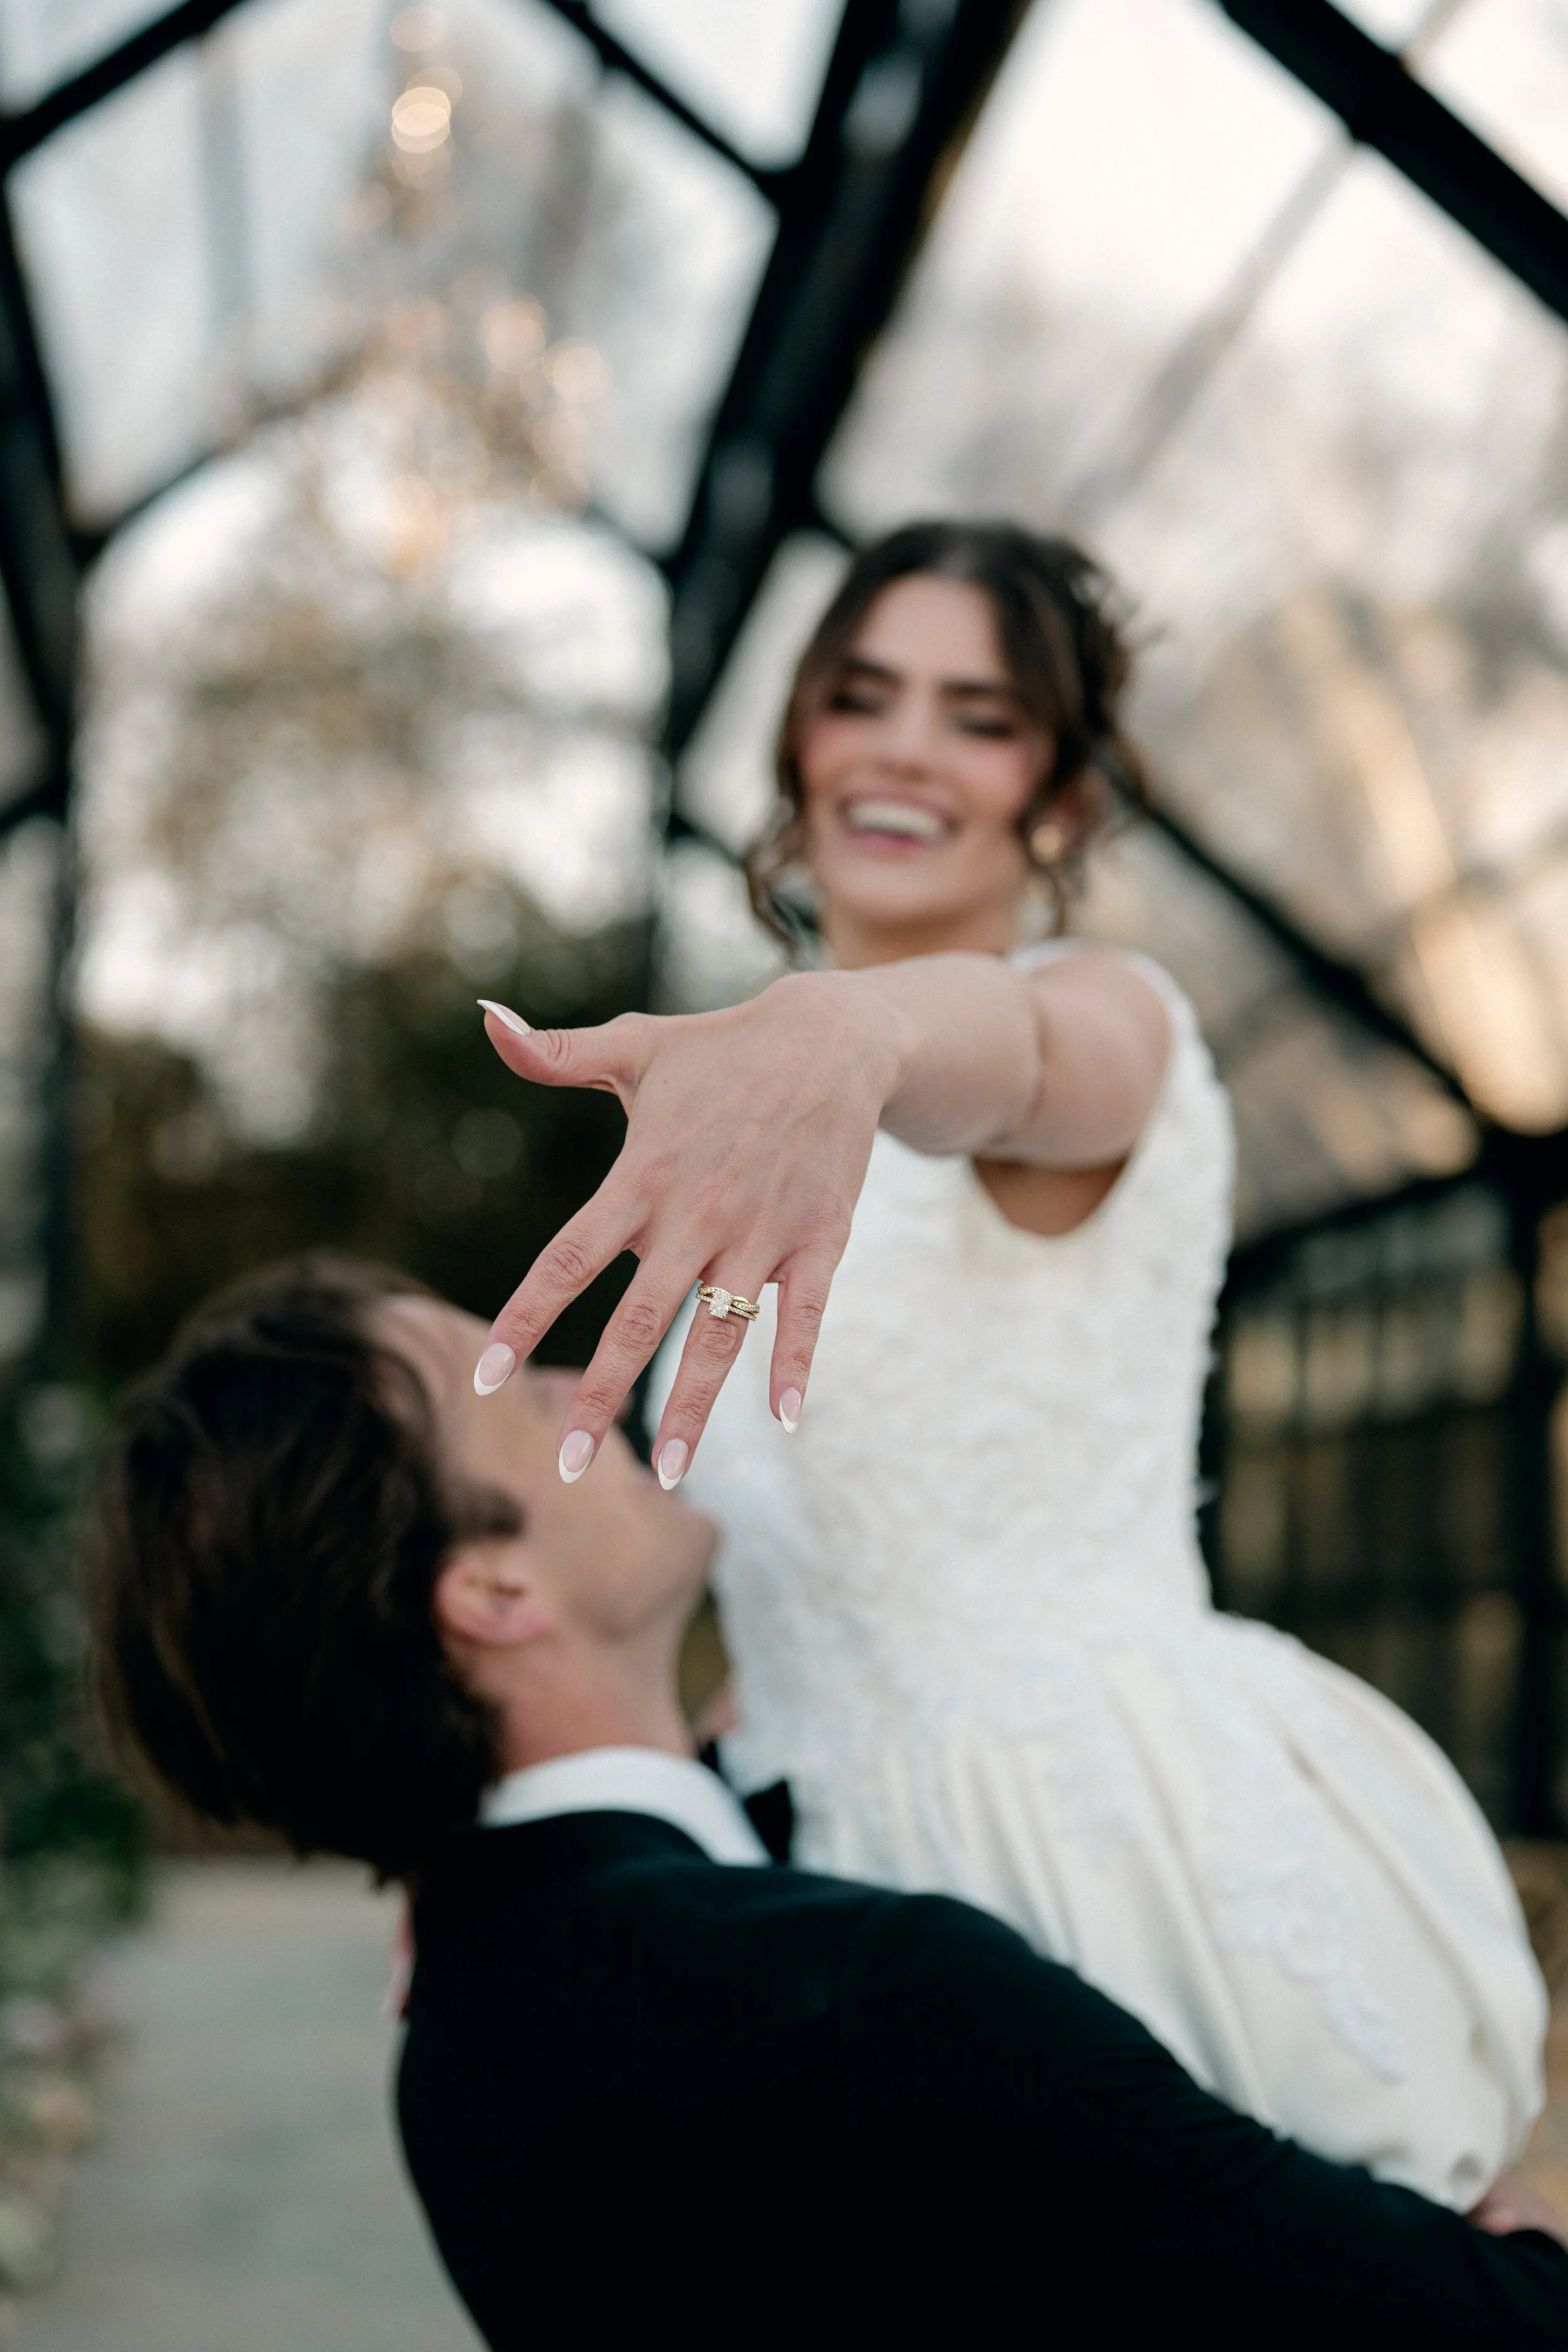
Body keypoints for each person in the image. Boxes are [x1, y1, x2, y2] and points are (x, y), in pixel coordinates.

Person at [467, 520, 1545, 2210]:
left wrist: (866, 1021)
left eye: (977, 716)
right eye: (862, 694)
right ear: (799, 744)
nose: (904, 745)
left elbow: (1032, 1062)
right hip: (833, 1893)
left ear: (1054, 799)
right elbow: (785, 1604)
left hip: (1104, 1849)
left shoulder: (1088, 1015)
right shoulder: (767, 1120)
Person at [93, 1256, 1568, 2347]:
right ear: (488, 1592)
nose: (580, 1382)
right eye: (516, 1385)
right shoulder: (854, 1993)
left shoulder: (470, 2017)